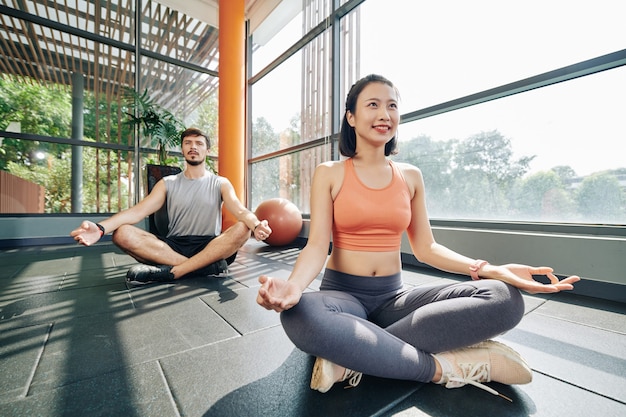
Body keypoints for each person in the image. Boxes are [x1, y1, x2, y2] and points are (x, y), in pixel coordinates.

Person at [256, 74, 580, 399]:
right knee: (300, 314)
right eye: (373, 104)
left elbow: (426, 248)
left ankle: (357, 353)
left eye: (392, 105)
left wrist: (492, 269)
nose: (385, 114)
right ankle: (445, 369)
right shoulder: (330, 173)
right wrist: (294, 287)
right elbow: (316, 247)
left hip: (393, 300)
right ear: (351, 117)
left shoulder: (410, 176)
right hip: (343, 298)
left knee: (504, 299)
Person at [71, 127, 272, 285]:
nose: (193, 146)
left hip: (211, 247)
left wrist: (256, 225)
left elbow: (239, 210)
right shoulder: (167, 183)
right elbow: (137, 212)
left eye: (199, 143)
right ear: (183, 149)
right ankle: (202, 268)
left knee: (243, 228)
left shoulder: (220, 183)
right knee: (122, 234)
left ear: (207, 150)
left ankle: (174, 272)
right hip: (172, 246)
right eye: (188, 143)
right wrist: (101, 228)